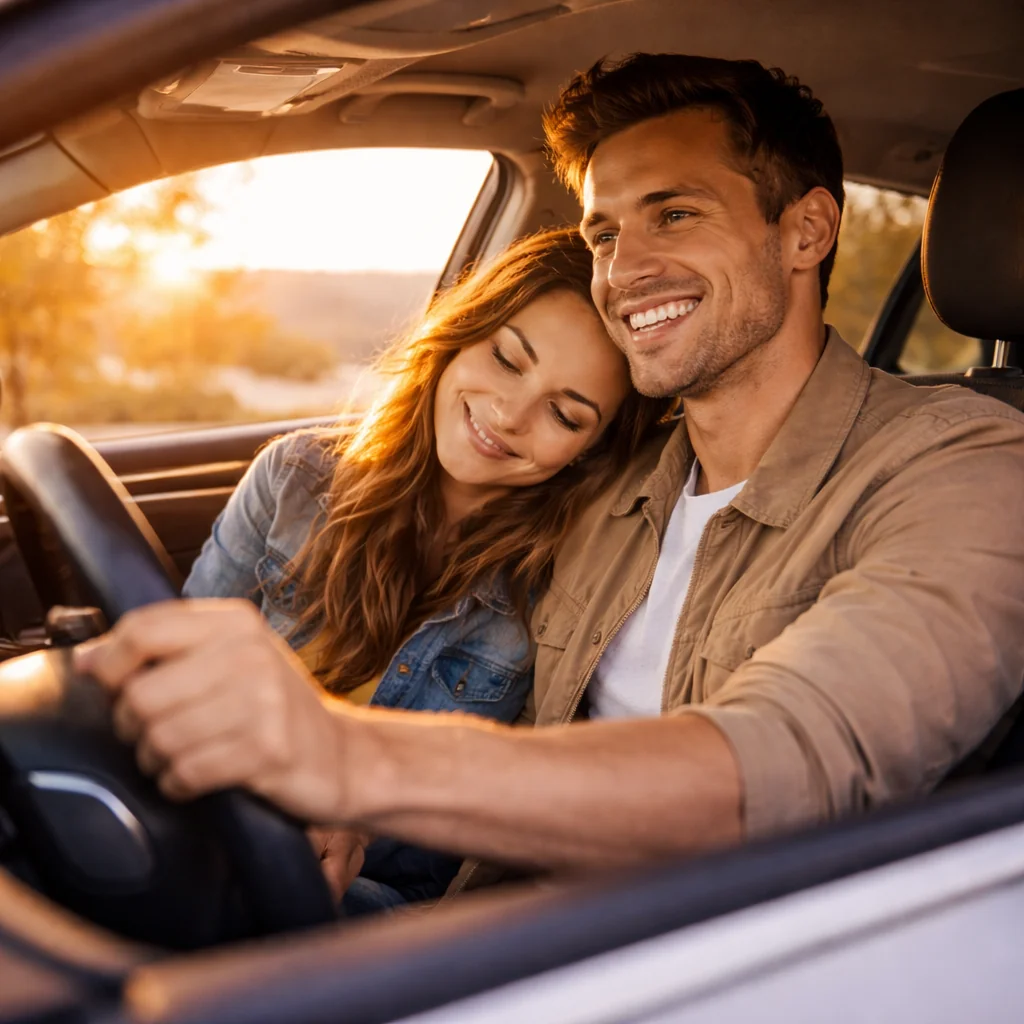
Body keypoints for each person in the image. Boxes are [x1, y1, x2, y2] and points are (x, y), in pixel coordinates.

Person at [78, 54, 1024, 896]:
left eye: (675, 214)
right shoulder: (608, 491)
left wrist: (347, 761)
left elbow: (782, 769)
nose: (624, 270)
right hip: (481, 926)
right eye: (605, 234)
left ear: (806, 231)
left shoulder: (965, 469)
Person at [178, 225, 672, 911]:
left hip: (376, 903)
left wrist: (356, 806)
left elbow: (512, 816)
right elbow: (176, 672)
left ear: (591, 450)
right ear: (461, 335)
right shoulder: (292, 479)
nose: (509, 415)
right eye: (506, 359)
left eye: (564, 414)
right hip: (210, 827)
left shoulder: (565, 588)